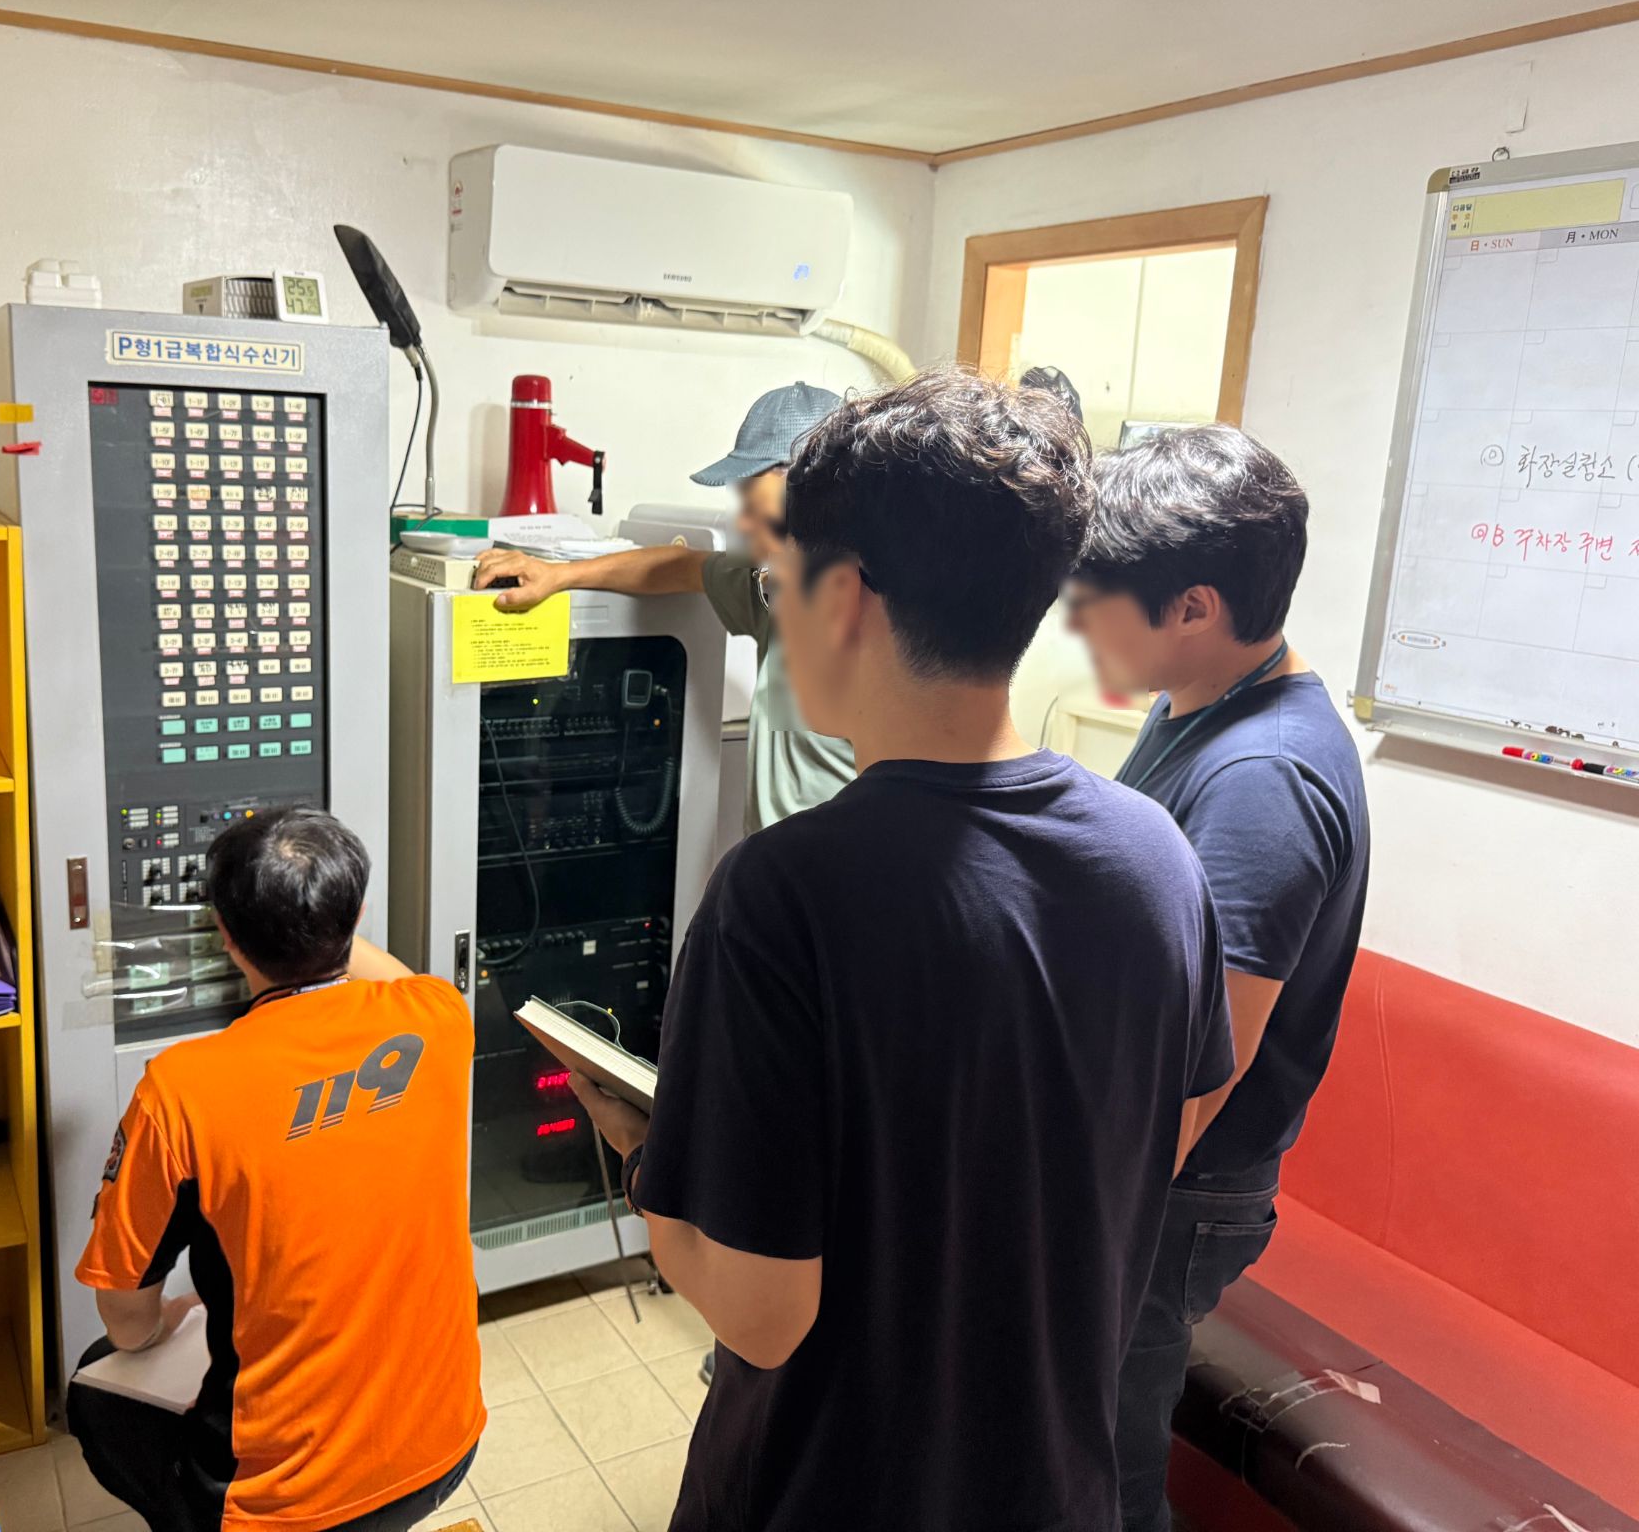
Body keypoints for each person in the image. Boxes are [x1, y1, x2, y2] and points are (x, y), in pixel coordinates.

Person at [567, 366, 1235, 1530]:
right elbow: (1164, 1124)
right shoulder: (1156, 857)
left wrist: (648, 1164)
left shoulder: (780, 897)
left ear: (842, 599)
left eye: (776, 583)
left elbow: (762, 1316)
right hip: (1052, 1493)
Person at [1066, 425, 1371, 1532]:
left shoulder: (1263, 780)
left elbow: (1202, 1076)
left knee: (1099, 1467)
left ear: (1192, 606)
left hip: (1173, 1192)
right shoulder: (1195, 699)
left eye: (1093, 600)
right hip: (1145, 1170)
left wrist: (1073, 1213)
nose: (1073, 622)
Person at [69, 806, 483, 1532]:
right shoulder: (438, 1020)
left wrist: (169, 1324)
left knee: (95, 1390)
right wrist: (314, 903)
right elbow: (380, 969)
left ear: (224, 934)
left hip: (286, 1505)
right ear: (357, 916)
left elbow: (127, 1322)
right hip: (448, 1447)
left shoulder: (181, 1092)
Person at [473, 381, 854, 834]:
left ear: (816, 490)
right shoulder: (772, 589)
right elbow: (681, 566)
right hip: (772, 867)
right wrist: (558, 575)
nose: (743, 521)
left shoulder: (884, 629)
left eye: (756, 499)